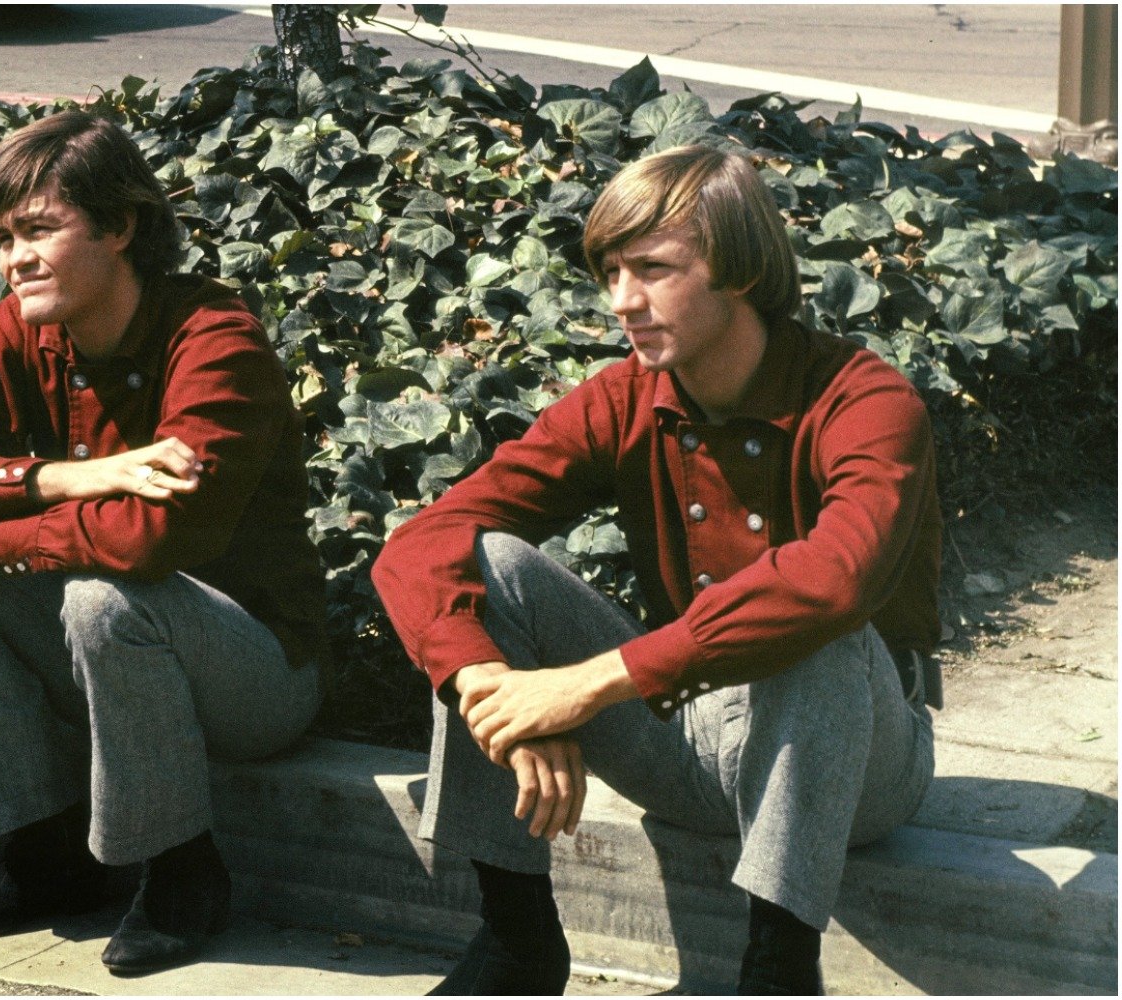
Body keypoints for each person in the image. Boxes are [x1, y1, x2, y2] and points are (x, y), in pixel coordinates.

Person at [372, 144, 941, 995]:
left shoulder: (866, 400)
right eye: (610, 272)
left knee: (813, 624)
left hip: (856, 763)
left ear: (740, 268)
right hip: (687, 739)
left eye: (653, 269)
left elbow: (835, 579)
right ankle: (516, 941)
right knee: (485, 563)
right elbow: (425, 540)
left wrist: (587, 685)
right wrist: (502, 694)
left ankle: (779, 970)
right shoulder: (625, 396)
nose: (621, 302)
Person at [0, 109, 327, 976]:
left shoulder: (215, 338)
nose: (14, 260)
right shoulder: (20, 327)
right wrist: (54, 479)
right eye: (3, 237)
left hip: (255, 673)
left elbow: (149, 539)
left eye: (39, 230)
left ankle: (181, 873)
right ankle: (41, 859)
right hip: (101, 648)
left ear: (119, 226)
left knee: (105, 595)